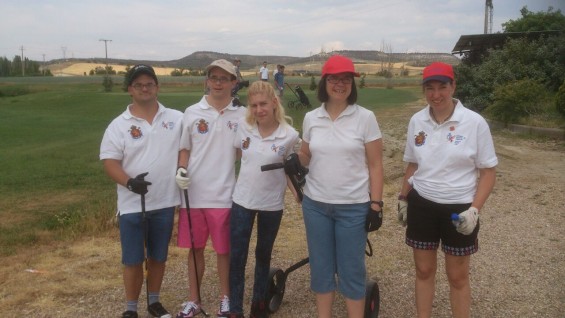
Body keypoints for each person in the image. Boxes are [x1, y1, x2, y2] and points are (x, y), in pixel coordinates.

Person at [397, 62, 497, 318]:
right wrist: (403, 197)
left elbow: (487, 172)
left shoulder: (474, 122)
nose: (436, 94)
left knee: (458, 276)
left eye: (442, 87)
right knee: (423, 271)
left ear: (453, 86)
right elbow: (413, 164)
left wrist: (475, 209)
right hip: (422, 204)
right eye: (429, 88)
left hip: (459, 208)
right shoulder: (417, 120)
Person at [297, 55, 384, 318]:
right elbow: (306, 156)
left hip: (353, 207)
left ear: (352, 85)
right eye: (334, 79)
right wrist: (292, 158)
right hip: (316, 205)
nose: (340, 84)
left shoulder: (365, 118)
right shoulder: (311, 118)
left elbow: (376, 165)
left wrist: (376, 204)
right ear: (324, 83)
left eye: (346, 79)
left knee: (351, 271)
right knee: (321, 269)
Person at [100, 64, 182, 318]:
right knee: (133, 259)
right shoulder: (118, 125)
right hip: (132, 204)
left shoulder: (176, 118)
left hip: (165, 201)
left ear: (157, 87)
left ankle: (154, 302)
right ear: (130, 90)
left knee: (158, 256)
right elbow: (110, 162)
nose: (144, 88)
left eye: (149, 84)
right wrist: (129, 182)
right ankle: (131, 308)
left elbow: (189, 148)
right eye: (138, 85)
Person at [175, 59, 247, 318]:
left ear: (233, 83)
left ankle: (226, 298)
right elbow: (185, 148)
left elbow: (242, 151)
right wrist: (182, 169)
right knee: (195, 250)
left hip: (225, 194)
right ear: (207, 81)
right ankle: (194, 299)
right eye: (214, 78)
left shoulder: (241, 114)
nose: (218, 83)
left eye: (224, 78)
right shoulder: (192, 112)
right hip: (193, 194)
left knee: (223, 250)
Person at [229, 81, 300, 318]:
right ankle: (235, 309)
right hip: (242, 201)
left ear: (274, 103)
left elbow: (291, 170)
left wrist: (300, 197)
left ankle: (258, 305)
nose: (259, 110)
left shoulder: (289, 135)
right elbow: (236, 156)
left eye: (263, 104)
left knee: (263, 255)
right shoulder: (244, 127)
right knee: (237, 256)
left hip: (271, 204)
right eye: (254, 105)